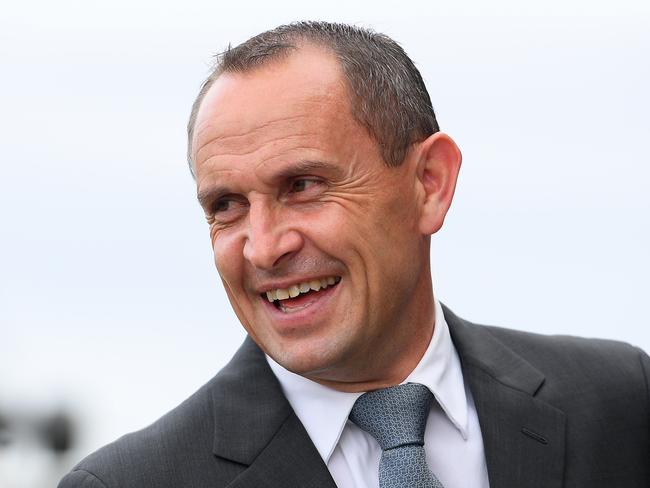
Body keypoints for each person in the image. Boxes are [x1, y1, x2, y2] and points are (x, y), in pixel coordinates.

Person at [59, 21, 649, 488]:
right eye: (227, 205)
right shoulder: (131, 482)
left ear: (430, 184)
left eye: (303, 186)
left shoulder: (621, 403)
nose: (265, 247)